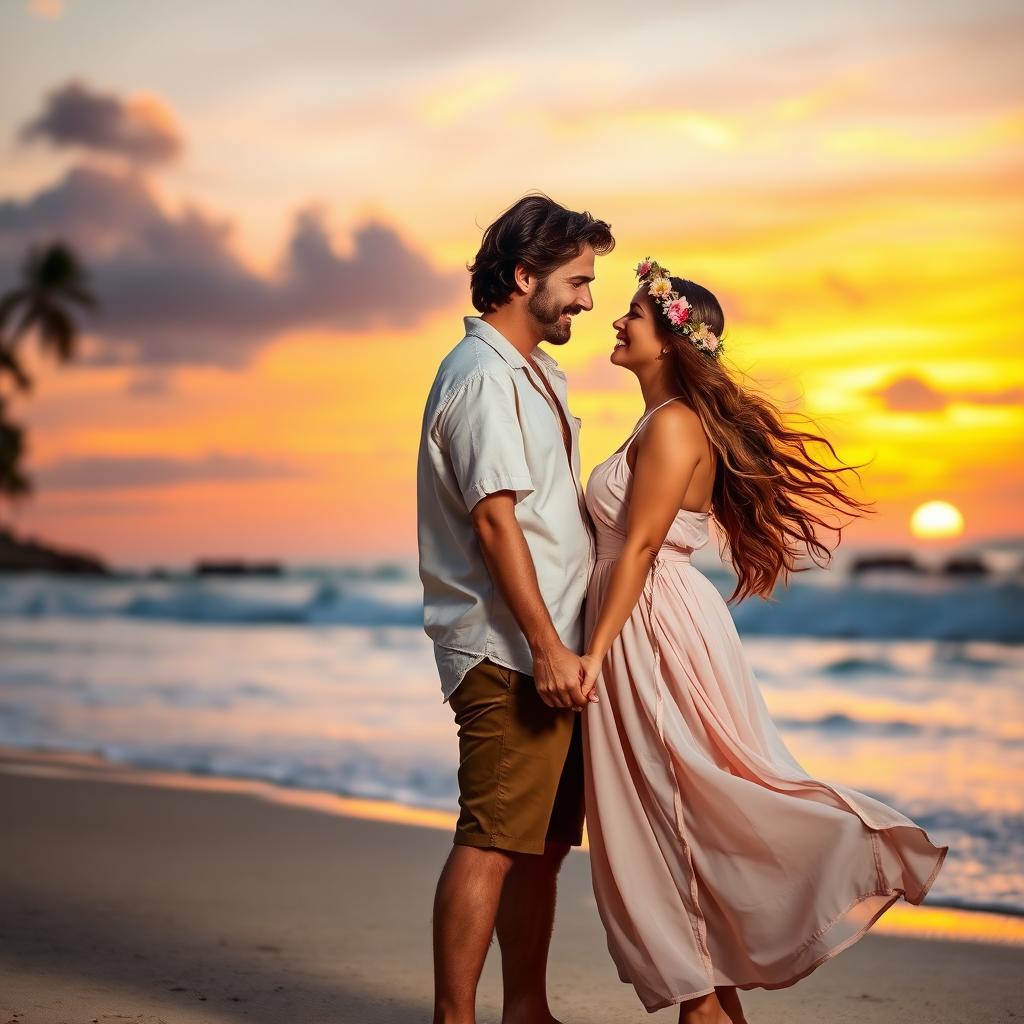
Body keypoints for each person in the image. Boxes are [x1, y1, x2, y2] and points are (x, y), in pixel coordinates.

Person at [577, 260, 949, 1024]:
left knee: (674, 799)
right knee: (672, 800)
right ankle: (708, 998)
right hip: (645, 614)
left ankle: (707, 991)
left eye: (634, 316)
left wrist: (591, 653)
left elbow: (641, 547)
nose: (617, 323)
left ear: (673, 339)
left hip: (648, 622)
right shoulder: (660, 421)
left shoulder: (676, 422)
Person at [416, 192, 613, 1024]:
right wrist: (545, 647)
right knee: (494, 840)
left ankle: (525, 1010)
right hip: (509, 652)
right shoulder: (483, 377)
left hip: (550, 649)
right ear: (523, 274)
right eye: (576, 279)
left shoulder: (536, 370)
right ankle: (455, 1018)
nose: (588, 300)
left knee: (539, 849)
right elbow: (496, 520)